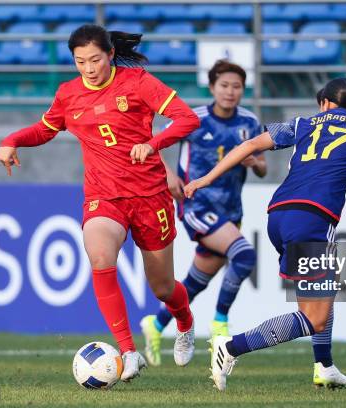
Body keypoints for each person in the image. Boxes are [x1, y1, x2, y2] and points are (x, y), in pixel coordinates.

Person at [184, 78, 346, 391]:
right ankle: (230, 347)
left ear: (325, 102)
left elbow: (249, 145)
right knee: (313, 317)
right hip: (312, 220)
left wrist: (205, 178)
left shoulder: (304, 123)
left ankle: (324, 366)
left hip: (279, 214)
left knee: (324, 289)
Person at [0, 24, 200, 382]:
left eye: (95, 60)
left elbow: (187, 118)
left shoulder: (138, 83)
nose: (89, 69)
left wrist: (153, 145)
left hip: (150, 195)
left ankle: (184, 320)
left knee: (163, 287)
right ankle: (128, 352)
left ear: (109, 55)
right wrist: (12, 139)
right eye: (80, 62)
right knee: (101, 257)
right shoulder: (68, 94)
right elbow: (46, 129)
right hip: (103, 196)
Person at [140, 60, 267, 367]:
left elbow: (263, 167)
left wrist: (254, 163)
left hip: (230, 210)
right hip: (196, 204)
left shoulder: (249, 122)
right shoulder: (193, 118)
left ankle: (155, 325)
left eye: (236, 86)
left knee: (197, 280)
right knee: (245, 255)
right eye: (224, 85)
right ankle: (220, 324)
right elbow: (151, 145)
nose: (230, 92)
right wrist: (168, 175)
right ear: (212, 88)